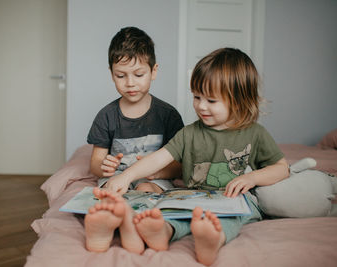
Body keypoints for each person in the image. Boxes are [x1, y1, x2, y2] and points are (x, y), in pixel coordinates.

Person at [105, 47, 290, 265]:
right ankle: (162, 232)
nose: (201, 106)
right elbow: (158, 158)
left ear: (239, 100)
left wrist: (252, 178)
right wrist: (126, 176)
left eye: (211, 101)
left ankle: (213, 240)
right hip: (192, 198)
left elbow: (282, 168)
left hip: (233, 203)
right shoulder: (189, 133)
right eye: (197, 97)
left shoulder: (254, 133)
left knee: (232, 219)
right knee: (174, 215)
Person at [84, 26, 184, 254]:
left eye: (138, 75)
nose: (130, 83)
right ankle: (106, 228)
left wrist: (157, 172)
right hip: (117, 180)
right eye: (121, 75)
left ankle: (137, 226)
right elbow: (95, 164)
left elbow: (179, 166)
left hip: (151, 180)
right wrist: (104, 167)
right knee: (110, 199)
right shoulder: (106, 116)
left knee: (148, 190)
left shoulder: (167, 115)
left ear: (154, 71)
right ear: (111, 73)